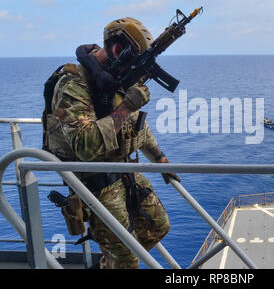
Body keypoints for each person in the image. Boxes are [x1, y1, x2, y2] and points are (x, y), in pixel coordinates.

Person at [42, 17, 180, 269]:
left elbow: (137, 126)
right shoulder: (73, 84)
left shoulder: (118, 79)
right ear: (118, 51)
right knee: (128, 260)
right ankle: (117, 261)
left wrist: (159, 158)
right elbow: (84, 146)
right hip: (95, 183)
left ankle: (112, 262)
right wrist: (127, 106)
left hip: (126, 172)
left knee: (158, 226)